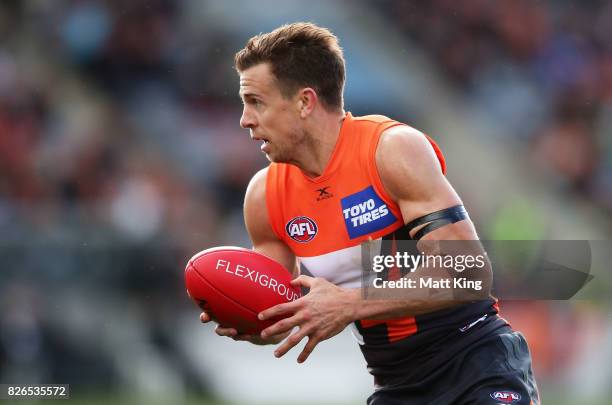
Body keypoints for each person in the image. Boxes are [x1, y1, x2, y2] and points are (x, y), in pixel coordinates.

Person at [199, 22, 540, 404]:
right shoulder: (265, 195)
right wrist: (253, 322)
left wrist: (350, 303)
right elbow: (285, 314)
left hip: (475, 363)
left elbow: (469, 272)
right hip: (395, 385)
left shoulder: (391, 150)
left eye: (256, 101)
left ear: (305, 101)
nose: (245, 119)